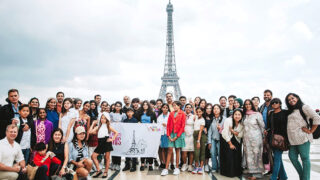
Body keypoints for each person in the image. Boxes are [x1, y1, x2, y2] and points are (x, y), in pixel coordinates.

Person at [286, 93, 320, 180]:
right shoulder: (290, 110)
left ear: (297, 98)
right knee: (292, 157)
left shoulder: (304, 107)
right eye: (289, 100)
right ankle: (303, 177)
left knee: (305, 158)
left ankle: (305, 178)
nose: (291, 100)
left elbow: (317, 117)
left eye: (292, 98)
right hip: (292, 140)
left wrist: (311, 130)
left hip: (303, 138)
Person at [161, 101, 186, 176]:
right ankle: (166, 168)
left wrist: (176, 136)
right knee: (170, 150)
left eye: (175, 105)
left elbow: (182, 126)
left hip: (178, 134)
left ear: (179, 106)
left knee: (177, 150)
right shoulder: (171, 114)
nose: (174, 107)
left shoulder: (183, 114)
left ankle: (177, 168)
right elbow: (168, 125)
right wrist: (168, 135)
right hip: (171, 133)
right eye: (173, 106)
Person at [242, 99, 265, 179]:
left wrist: (264, 138)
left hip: (256, 138)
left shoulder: (257, 114)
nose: (248, 106)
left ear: (252, 105)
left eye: (249, 104)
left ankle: (257, 174)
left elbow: (262, 126)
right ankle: (251, 172)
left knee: (256, 156)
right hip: (246, 139)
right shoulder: (244, 115)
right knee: (249, 156)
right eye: (246, 104)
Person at [91, 112, 118, 178]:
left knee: (107, 158)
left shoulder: (108, 126)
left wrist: (112, 139)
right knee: (93, 156)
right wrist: (92, 124)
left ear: (107, 119)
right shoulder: (98, 126)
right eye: (102, 118)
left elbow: (116, 132)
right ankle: (98, 170)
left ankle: (105, 172)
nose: (103, 120)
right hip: (100, 142)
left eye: (104, 118)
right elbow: (90, 132)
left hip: (106, 142)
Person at [267, 98, 288, 180]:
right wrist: (267, 131)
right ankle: (283, 176)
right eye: (272, 103)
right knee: (278, 158)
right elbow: (269, 126)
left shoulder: (285, 112)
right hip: (272, 139)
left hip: (282, 139)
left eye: (276, 102)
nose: (274, 104)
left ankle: (274, 177)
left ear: (280, 103)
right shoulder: (271, 114)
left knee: (277, 158)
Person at [220, 109, 244, 178]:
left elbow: (241, 135)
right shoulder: (228, 120)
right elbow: (225, 133)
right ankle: (228, 172)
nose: (237, 116)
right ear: (233, 115)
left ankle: (237, 172)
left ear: (241, 116)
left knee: (237, 156)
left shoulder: (242, 123)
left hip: (237, 139)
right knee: (229, 155)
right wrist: (230, 144)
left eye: (239, 114)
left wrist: (233, 131)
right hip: (227, 139)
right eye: (235, 114)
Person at [138, 100, 157, 171]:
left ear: (148, 105)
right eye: (144, 104)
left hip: (150, 133)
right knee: (142, 147)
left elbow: (155, 123)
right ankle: (142, 164)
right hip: (142, 132)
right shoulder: (139, 113)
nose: (145, 105)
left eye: (146, 104)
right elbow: (136, 121)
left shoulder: (152, 113)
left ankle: (150, 164)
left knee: (150, 148)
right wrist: (138, 122)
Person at [207, 104, 225, 172]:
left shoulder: (224, 119)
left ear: (220, 110)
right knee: (212, 153)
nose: (216, 110)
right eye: (214, 108)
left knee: (220, 154)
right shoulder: (212, 119)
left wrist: (220, 129)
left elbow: (226, 131)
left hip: (221, 140)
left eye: (217, 108)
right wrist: (209, 142)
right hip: (213, 139)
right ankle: (214, 167)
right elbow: (209, 132)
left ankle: (221, 167)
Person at [110, 101, 126, 171]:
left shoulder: (123, 114)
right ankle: (113, 163)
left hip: (120, 133)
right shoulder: (111, 114)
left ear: (121, 107)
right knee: (113, 148)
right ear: (114, 106)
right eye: (116, 106)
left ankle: (118, 164)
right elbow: (109, 122)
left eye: (119, 106)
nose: (118, 107)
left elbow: (124, 124)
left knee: (119, 148)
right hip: (112, 133)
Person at [122, 108, 139, 172]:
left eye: (131, 112)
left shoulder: (135, 120)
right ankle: (127, 165)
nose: (129, 113)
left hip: (133, 138)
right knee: (127, 151)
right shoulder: (124, 120)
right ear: (126, 113)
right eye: (128, 112)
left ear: (133, 113)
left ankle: (134, 166)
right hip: (126, 138)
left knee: (133, 151)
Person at [191, 107, 206, 175]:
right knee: (196, 152)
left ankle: (201, 167)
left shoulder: (202, 120)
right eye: (197, 112)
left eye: (200, 111)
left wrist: (198, 141)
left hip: (201, 136)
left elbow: (200, 131)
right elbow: (194, 111)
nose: (198, 113)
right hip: (195, 135)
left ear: (202, 112)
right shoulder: (196, 117)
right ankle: (196, 167)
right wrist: (193, 105)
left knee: (202, 152)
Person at [181, 103, 194, 172]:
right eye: (187, 107)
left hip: (191, 135)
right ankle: (184, 164)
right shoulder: (182, 115)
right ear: (185, 108)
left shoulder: (194, 116)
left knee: (191, 151)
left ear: (191, 109)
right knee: (184, 151)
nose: (188, 108)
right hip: (184, 135)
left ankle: (190, 165)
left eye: (189, 107)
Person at [157, 104, 170, 169]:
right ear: (161, 108)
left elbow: (173, 124)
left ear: (168, 108)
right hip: (161, 134)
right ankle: (163, 163)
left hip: (168, 134)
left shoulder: (170, 115)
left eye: (166, 108)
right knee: (162, 149)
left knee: (168, 149)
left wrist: (166, 125)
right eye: (164, 107)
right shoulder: (159, 117)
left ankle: (168, 163)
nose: (165, 109)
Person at [203, 103, 213, 172]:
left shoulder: (213, 116)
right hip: (205, 136)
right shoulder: (203, 117)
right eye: (207, 108)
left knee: (212, 151)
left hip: (213, 136)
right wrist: (204, 128)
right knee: (206, 151)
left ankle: (213, 164)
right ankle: (205, 165)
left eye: (210, 108)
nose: (209, 110)